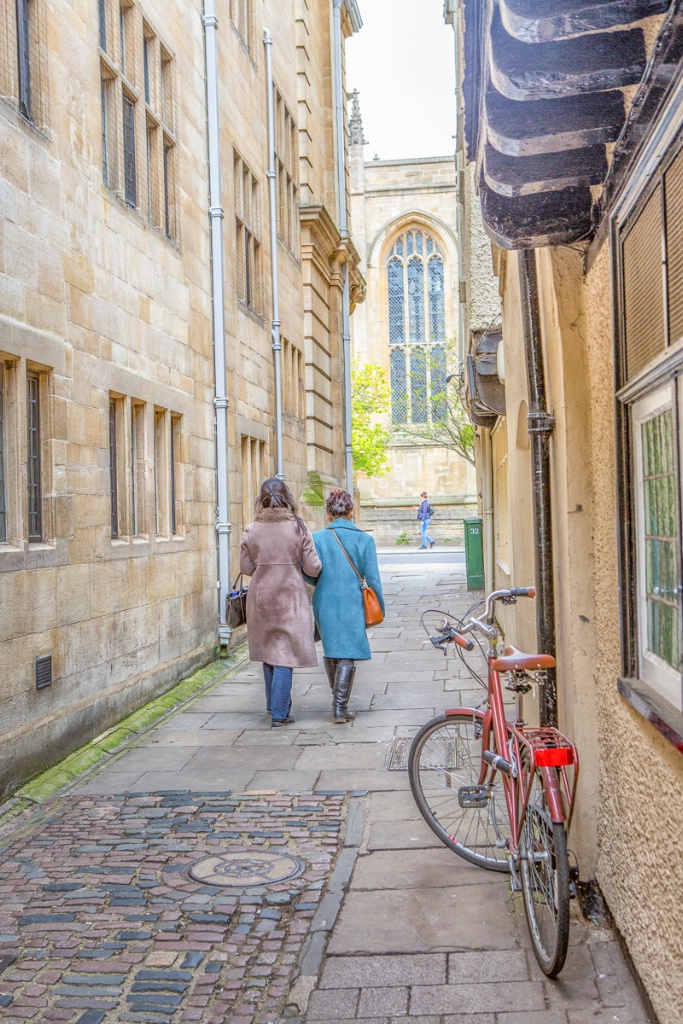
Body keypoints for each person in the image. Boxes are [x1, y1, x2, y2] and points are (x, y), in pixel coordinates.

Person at [240, 478, 322, 728]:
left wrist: (265, 567)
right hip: (290, 597)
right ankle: (280, 713)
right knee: (285, 653)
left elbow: (245, 567)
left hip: (261, 597)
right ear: (287, 497)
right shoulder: (298, 527)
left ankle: (272, 703)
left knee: (268, 650)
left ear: (262, 499)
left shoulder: (252, 529)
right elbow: (314, 567)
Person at [306, 490, 385, 724]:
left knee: (332, 649)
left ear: (328, 514)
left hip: (325, 600)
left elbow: (309, 573)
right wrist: (378, 607)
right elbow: (373, 579)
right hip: (353, 601)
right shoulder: (365, 540)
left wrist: (321, 582)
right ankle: (340, 707)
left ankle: (337, 701)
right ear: (352, 512)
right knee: (348, 651)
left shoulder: (317, 538)